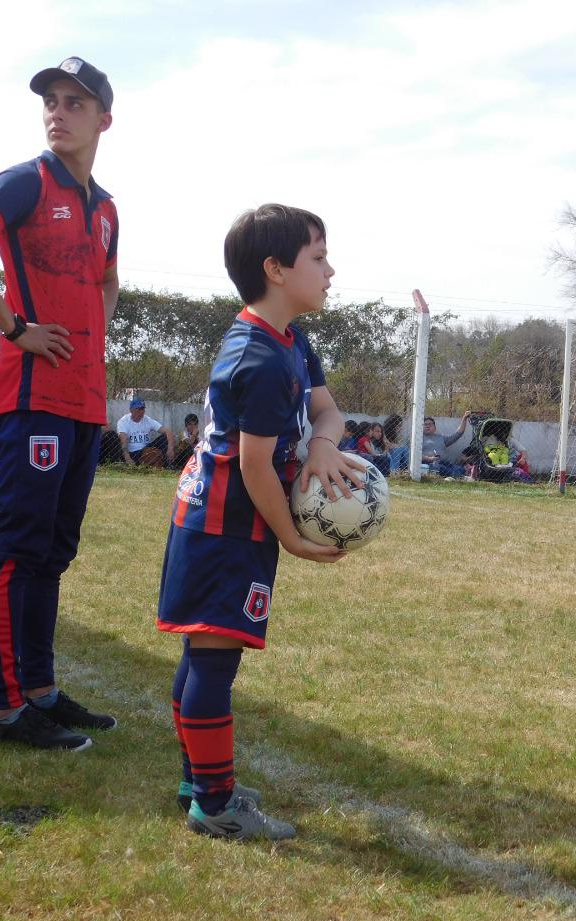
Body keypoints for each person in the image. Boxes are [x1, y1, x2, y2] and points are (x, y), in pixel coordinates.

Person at [157, 203, 359, 842]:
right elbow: (254, 467)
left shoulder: (290, 339)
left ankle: (200, 782)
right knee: (212, 660)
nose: (331, 270)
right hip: (223, 527)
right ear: (275, 269)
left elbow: (328, 413)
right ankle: (214, 805)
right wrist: (294, 538)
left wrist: (325, 444)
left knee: (203, 651)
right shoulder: (263, 359)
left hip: (217, 520)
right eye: (318, 257)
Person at [0, 56, 120, 751]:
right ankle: (7, 708)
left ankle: (41, 691)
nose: (58, 111)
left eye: (74, 102)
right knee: (18, 550)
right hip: (35, 397)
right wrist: (17, 327)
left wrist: (90, 333)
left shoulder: (105, 208)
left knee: (53, 552)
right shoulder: (25, 181)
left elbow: (107, 281)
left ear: (103, 119)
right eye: (50, 100)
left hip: (84, 401)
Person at [117, 397, 174, 468]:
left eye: (143, 409)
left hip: (146, 449)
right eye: (139, 409)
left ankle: (167, 465)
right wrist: (127, 457)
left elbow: (168, 432)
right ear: (131, 410)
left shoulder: (147, 419)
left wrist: (170, 449)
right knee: (152, 453)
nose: (141, 412)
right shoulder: (123, 421)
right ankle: (151, 463)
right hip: (133, 453)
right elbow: (123, 441)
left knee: (164, 438)